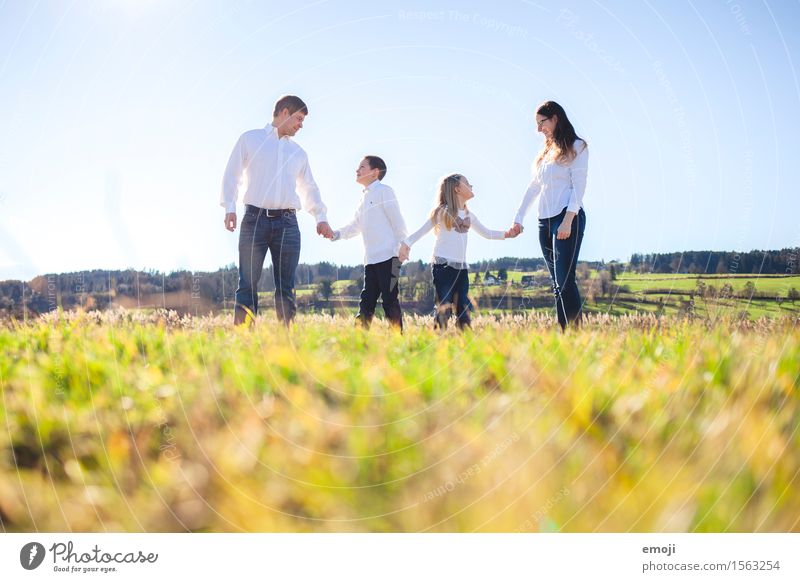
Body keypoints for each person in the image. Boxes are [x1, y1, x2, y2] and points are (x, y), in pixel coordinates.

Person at [220, 95, 334, 327]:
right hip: (254, 220)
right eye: (299, 119)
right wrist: (230, 207)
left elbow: (309, 188)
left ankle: (285, 341)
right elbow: (232, 174)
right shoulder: (250, 139)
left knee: (286, 286)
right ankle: (243, 338)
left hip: (288, 224)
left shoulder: (299, 153)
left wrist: (320, 217)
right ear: (284, 112)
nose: (301, 125)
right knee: (247, 283)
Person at [400, 174, 518, 331]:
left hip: (461, 269)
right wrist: (406, 244)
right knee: (445, 306)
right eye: (468, 183)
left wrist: (507, 234)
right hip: (443, 266)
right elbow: (421, 231)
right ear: (457, 189)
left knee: (463, 307)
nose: (472, 186)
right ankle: (439, 338)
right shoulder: (442, 212)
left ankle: (464, 339)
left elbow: (487, 233)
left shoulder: (469, 215)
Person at [509, 101, 588, 331]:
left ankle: (576, 336)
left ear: (555, 118)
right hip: (544, 222)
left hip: (566, 217)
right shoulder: (545, 154)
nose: (538, 129)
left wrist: (568, 220)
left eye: (541, 123)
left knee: (565, 280)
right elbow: (533, 187)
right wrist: (518, 218)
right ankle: (565, 336)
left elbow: (579, 187)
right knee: (556, 284)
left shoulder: (577, 146)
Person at [331, 156, 408, 331]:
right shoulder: (363, 198)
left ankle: (398, 341)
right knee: (366, 302)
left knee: (390, 301)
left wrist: (404, 244)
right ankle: (358, 341)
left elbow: (397, 220)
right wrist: (336, 234)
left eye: (362, 167)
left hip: (390, 256)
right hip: (371, 260)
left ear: (375, 172)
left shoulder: (384, 191)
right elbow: (356, 225)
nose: (357, 170)